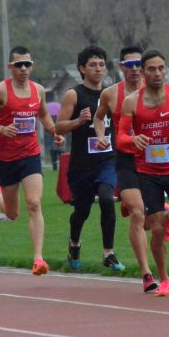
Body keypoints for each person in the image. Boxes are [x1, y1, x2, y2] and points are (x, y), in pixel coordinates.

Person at [116, 49, 169, 296]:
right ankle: (163, 278)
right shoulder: (132, 101)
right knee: (154, 229)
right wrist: (133, 141)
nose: (157, 73)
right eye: (151, 69)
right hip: (147, 173)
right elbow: (121, 138)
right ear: (142, 73)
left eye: (161, 68)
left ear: (166, 70)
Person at [0, 46, 64, 276]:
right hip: (6, 158)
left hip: (31, 154)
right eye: (19, 65)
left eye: (27, 64)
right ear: (10, 68)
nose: (23, 68)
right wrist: (0, 128)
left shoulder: (39, 90)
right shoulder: (0, 91)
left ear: (32, 66)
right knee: (12, 214)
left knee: (34, 203)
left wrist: (54, 132)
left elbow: (42, 114)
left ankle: (38, 259)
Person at [94, 46, 169, 292]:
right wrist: (101, 136)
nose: (135, 70)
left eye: (139, 65)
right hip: (126, 160)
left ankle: (165, 213)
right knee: (138, 215)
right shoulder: (110, 94)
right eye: (130, 66)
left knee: (153, 220)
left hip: (152, 160)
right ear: (121, 68)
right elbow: (99, 118)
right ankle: (146, 274)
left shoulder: (157, 93)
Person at [55, 46, 124, 271]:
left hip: (107, 160)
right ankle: (74, 243)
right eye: (92, 65)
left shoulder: (112, 94)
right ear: (81, 69)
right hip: (81, 165)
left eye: (102, 64)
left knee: (106, 199)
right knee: (81, 211)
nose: (98, 69)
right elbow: (59, 126)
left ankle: (109, 253)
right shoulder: (74, 94)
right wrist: (77, 122)